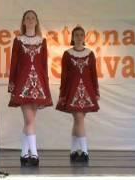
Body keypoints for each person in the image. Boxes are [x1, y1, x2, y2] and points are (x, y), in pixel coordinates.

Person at [8, 10, 52, 167]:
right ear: (24, 22)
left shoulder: (42, 41)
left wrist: (45, 86)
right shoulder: (18, 40)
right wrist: (12, 84)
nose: (30, 20)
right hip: (22, 84)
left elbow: (44, 66)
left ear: (36, 21)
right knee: (29, 119)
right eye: (28, 18)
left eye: (33, 18)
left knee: (30, 121)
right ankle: (34, 154)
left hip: (38, 85)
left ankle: (23, 153)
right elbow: (14, 64)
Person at [56, 25, 100, 162]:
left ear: (84, 37)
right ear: (72, 37)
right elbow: (64, 76)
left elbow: (94, 74)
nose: (79, 37)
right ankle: (84, 152)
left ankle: (74, 151)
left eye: (81, 35)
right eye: (76, 35)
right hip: (72, 91)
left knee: (77, 121)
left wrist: (96, 91)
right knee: (79, 119)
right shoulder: (67, 54)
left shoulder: (90, 54)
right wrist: (62, 94)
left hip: (87, 92)